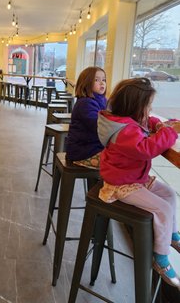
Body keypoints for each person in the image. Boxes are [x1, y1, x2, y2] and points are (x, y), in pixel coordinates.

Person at [97, 77, 180, 288]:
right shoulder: (124, 131)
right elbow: (147, 149)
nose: (150, 110)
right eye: (148, 106)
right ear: (135, 107)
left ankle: (172, 235)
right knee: (162, 208)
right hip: (121, 183)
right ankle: (160, 258)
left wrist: (159, 124)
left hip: (135, 177)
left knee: (170, 194)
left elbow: (148, 121)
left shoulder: (127, 120)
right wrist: (170, 131)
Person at [66, 66, 106, 167]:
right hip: (83, 152)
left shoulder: (102, 100)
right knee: (120, 162)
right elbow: (98, 126)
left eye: (104, 80)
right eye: (97, 80)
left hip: (93, 147)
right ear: (86, 83)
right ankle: (101, 182)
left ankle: (100, 182)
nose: (102, 83)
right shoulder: (85, 103)